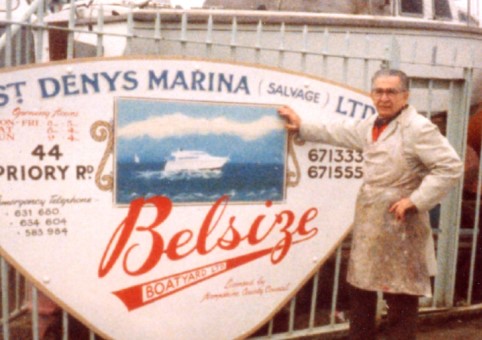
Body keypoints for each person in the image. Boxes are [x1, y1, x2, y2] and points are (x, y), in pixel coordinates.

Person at [278, 69, 463, 339]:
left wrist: (415, 200)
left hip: (402, 224)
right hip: (371, 221)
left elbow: (450, 167)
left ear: (405, 96)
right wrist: (302, 126)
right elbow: (339, 133)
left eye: (391, 92)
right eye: (378, 91)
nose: (384, 97)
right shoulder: (372, 125)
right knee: (361, 289)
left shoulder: (418, 128)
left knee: (399, 295)